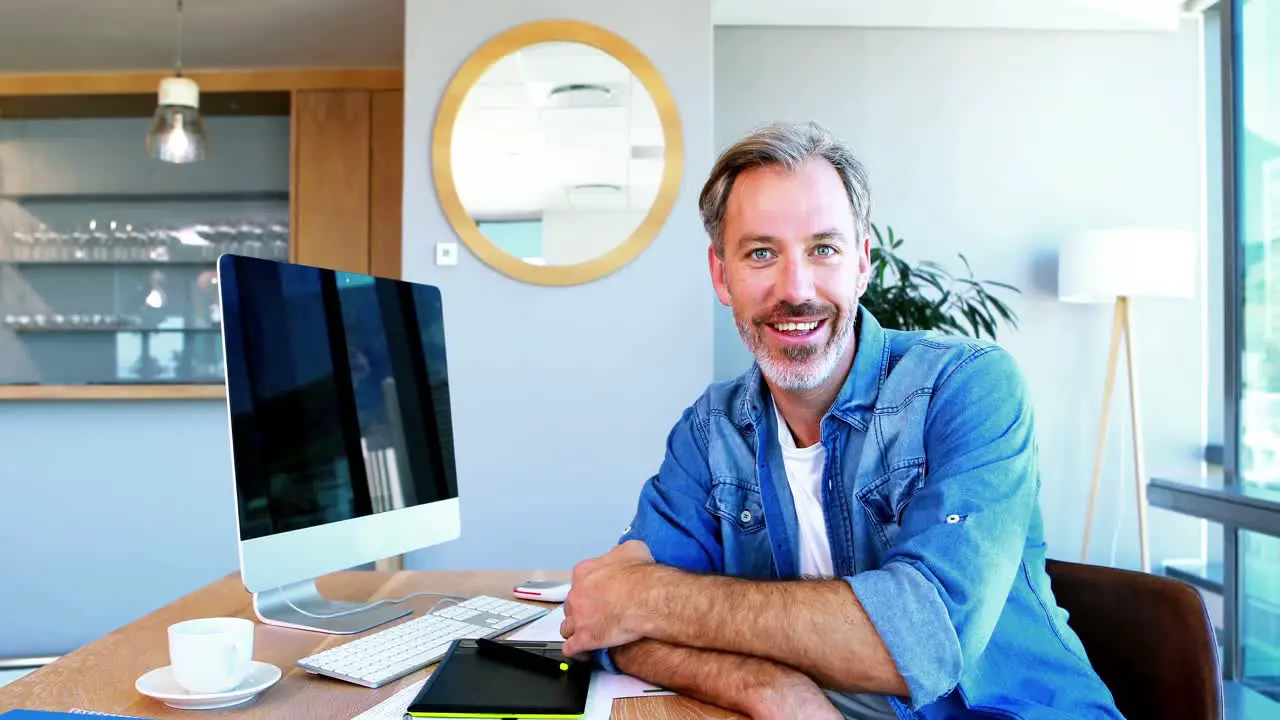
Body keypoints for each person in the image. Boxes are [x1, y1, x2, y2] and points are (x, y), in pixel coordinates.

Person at [557, 121, 1125, 720]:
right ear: (721, 275)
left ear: (862, 263)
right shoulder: (709, 433)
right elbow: (610, 624)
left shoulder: (970, 388)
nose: (795, 288)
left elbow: (927, 643)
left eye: (823, 249)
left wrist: (652, 600)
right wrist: (766, 689)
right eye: (760, 253)